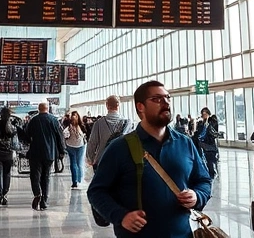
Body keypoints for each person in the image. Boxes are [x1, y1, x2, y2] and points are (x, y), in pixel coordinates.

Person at [87, 81, 213, 237]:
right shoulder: (119, 148)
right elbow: (96, 191)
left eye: (167, 97)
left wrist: (197, 196)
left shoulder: (185, 143)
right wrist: (121, 216)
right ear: (141, 107)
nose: (166, 102)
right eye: (157, 99)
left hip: (182, 233)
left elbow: (204, 180)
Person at [25, 102, 66, 210]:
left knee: (35, 176)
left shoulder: (33, 120)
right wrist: (62, 151)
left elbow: (27, 136)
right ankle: (44, 201)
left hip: (35, 153)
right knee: (46, 177)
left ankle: (37, 193)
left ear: (38, 109)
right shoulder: (54, 120)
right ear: (48, 109)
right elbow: (59, 136)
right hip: (49, 153)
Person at [86, 95, 134, 171]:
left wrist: (91, 159)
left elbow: (92, 142)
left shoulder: (98, 123)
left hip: (102, 160)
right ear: (118, 106)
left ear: (107, 106)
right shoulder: (126, 123)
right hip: (121, 162)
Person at [0, 107, 21, 206]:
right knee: (7, 174)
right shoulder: (13, 127)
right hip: (8, 154)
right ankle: (5, 194)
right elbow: (16, 140)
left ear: (0, 115)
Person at [194, 108, 221, 179]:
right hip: (203, 143)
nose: (204, 115)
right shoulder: (202, 123)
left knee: (210, 159)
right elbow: (199, 132)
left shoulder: (211, 121)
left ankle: (212, 173)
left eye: (205, 114)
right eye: (203, 114)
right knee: (205, 159)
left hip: (209, 143)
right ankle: (209, 173)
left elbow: (213, 132)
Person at [63, 110, 87, 188]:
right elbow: (86, 134)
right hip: (80, 146)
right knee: (79, 163)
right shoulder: (82, 125)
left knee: (73, 164)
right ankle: (80, 180)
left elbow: (65, 134)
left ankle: (74, 182)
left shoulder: (68, 125)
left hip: (70, 145)